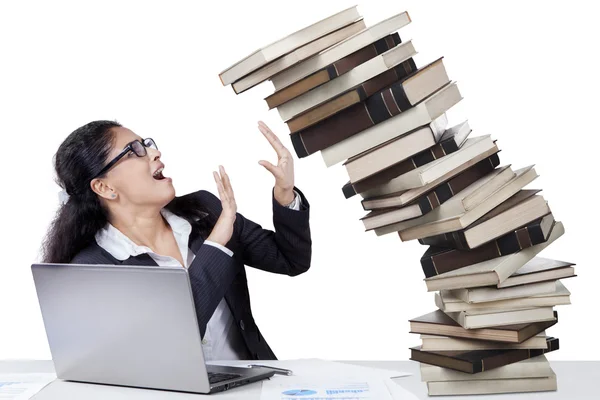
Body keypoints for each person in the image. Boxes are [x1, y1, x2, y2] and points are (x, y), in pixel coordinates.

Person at [42, 119, 312, 360]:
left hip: (255, 386)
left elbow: (292, 260)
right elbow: (176, 336)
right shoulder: (94, 268)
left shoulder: (205, 211)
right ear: (104, 187)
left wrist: (285, 194)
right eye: (134, 150)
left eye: (146, 144)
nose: (155, 152)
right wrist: (216, 244)